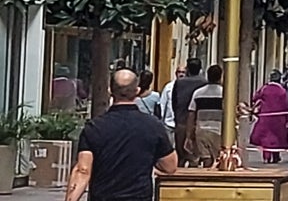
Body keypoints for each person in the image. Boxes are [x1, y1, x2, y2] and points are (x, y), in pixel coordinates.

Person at [64, 69, 177, 201]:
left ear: (110, 91)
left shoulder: (94, 127)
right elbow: (170, 166)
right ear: (137, 91)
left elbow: (83, 170)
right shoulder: (153, 126)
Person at [185, 64, 224, 168]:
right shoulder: (224, 94)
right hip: (219, 131)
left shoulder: (198, 93)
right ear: (220, 77)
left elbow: (191, 114)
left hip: (201, 131)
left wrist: (189, 135)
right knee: (219, 160)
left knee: (206, 159)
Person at [170, 58, 206, 166]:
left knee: (181, 154)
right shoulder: (204, 82)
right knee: (196, 155)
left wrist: (177, 116)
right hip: (198, 123)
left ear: (187, 69)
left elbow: (174, 101)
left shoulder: (179, 83)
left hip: (182, 121)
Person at [251, 71, 288, 163]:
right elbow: (285, 105)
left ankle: (267, 156)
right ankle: (276, 156)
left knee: (266, 138)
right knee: (277, 138)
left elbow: (255, 98)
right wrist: (287, 118)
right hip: (279, 117)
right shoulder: (282, 91)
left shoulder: (264, 89)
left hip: (265, 116)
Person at [159, 65, 185, 146]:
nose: (181, 74)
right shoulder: (168, 87)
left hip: (182, 125)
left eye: (183, 72)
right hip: (169, 124)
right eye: (179, 72)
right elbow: (163, 104)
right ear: (176, 73)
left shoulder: (187, 87)